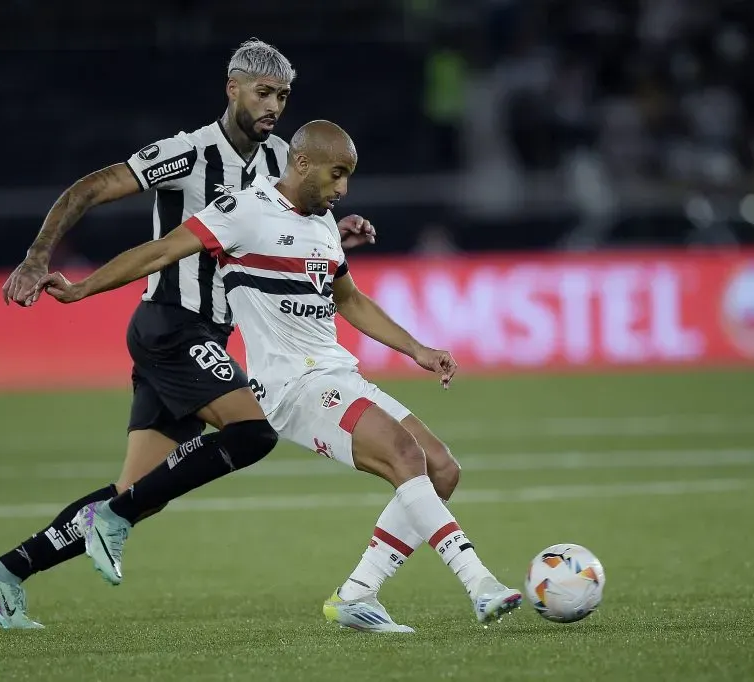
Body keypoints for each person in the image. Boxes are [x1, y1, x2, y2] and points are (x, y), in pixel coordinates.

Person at [38, 120, 523, 632]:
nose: (343, 188)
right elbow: (159, 251)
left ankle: (358, 595)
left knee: (442, 470)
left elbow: (349, 300)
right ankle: (481, 584)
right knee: (405, 456)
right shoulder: (242, 211)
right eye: (337, 174)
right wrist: (83, 288)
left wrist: (417, 350)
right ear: (303, 164)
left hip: (336, 372)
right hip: (293, 385)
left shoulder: (323, 225)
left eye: (349, 177)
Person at [0, 39, 376, 630]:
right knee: (253, 431)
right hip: (172, 326)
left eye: (283, 96)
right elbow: (90, 189)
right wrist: (37, 256)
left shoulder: (284, 158)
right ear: (233, 88)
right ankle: (105, 524)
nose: (273, 106)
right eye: (263, 93)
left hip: (206, 334)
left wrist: (337, 232)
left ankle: (4, 573)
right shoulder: (187, 153)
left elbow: (295, 223)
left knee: (137, 492)